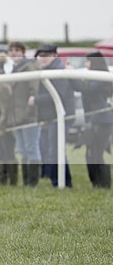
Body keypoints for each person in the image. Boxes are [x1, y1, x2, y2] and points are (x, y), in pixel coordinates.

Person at [31, 44, 74, 187]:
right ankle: (57, 180)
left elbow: (58, 95)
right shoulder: (48, 70)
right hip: (51, 117)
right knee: (49, 149)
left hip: (60, 116)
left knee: (55, 150)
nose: (42, 59)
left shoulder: (59, 70)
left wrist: (35, 100)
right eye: (40, 56)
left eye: (45, 56)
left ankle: (62, 182)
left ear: (54, 55)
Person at [7, 41, 41, 187]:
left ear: (23, 52)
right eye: (11, 51)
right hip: (17, 116)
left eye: (17, 50)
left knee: (31, 148)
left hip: (29, 116)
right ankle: (26, 180)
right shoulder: (14, 69)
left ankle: (33, 181)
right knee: (22, 150)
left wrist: (28, 111)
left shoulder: (29, 67)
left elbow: (34, 91)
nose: (13, 53)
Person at [78, 51, 112, 188]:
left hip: (103, 121)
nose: (85, 63)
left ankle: (103, 184)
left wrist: (72, 75)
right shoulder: (93, 77)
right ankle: (97, 183)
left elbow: (85, 89)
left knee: (96, 153)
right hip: (95, 120)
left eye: (88, 60)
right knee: (91, 153)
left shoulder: (100, 78)